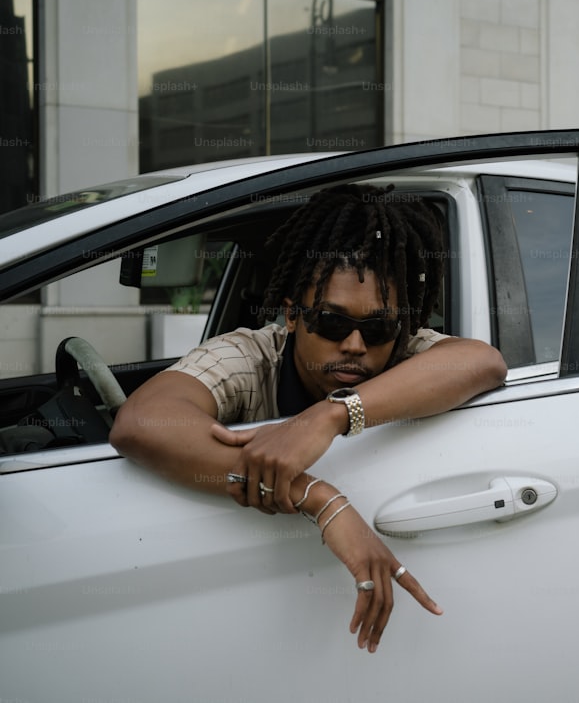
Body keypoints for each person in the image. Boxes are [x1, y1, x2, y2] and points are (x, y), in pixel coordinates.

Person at [109, 184, 508, 654]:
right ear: (292, 316)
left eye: (378, 328)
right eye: (332, 322)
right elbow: (140, 422)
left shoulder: (405, 355)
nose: (355, 345)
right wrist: (315, 495)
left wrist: (328, 416)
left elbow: (483, 362)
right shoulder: (251, 356)